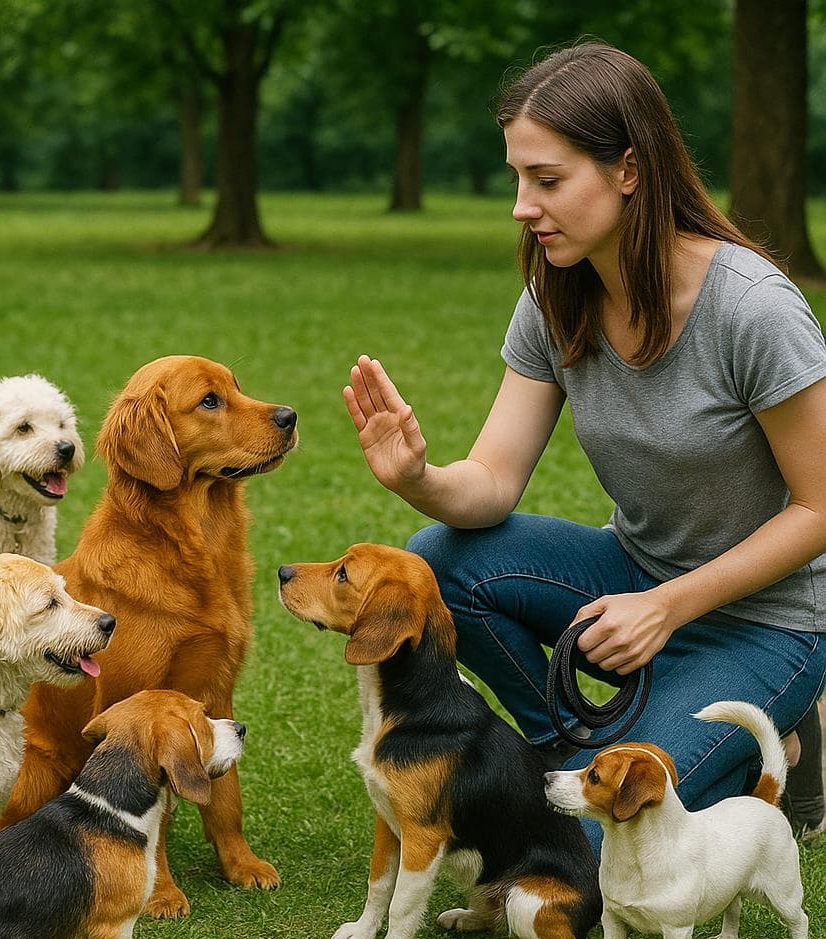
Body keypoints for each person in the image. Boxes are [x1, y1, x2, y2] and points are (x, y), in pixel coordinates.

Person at [344, 42, 826, 853]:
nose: (522, 206)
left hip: (767, 623)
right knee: (441, 559)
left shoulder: (754, 311)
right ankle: (571, 749)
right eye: (518, 179)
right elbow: (492, 483)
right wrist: (418, 478)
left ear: (629, 170)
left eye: (549, 179)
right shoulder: (556, 296)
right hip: (633, 581)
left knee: (594, 850)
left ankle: (775, 744)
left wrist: (668, 608)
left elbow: (820, 508)